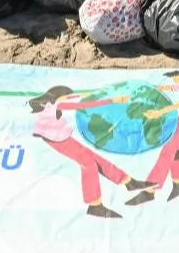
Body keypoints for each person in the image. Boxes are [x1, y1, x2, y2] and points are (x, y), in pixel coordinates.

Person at [27, 86, 153, 219]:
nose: (69, 98)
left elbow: (77, 97)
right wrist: (111, 100)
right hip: (57, 139)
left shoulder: (53, 103)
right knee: (89, 164)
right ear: (59, 96)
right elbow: (85, 105)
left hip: (59, 136)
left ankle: (128, 181)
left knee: (95, 158)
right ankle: (95, 205)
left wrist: (106, 96)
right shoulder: (57, 105)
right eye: (66, 96)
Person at [125, 71, 179, 206]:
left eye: (176, 78)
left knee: (169, 146)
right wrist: (155, 88)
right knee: (174, 143)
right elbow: (172, 88)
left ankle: (151, 190)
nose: (174, 81)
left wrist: (160, 112)